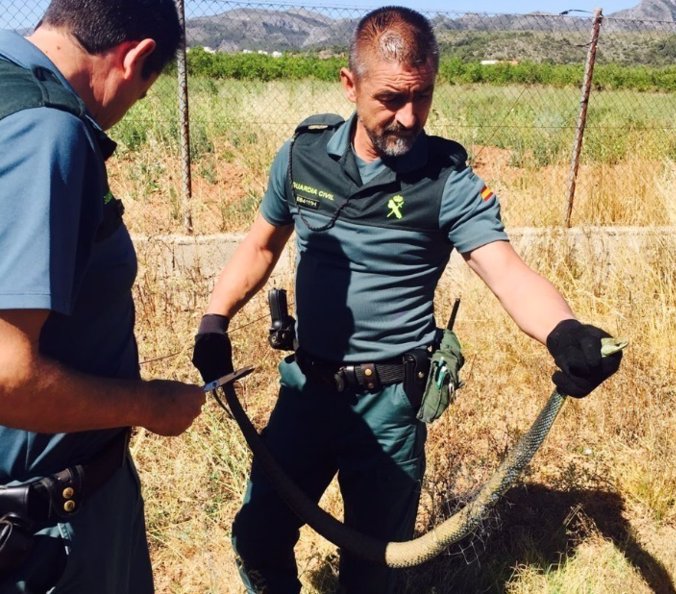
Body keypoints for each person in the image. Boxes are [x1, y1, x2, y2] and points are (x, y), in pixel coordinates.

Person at [192, 6, 622, 593]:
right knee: (258, 536)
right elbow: (261, 246)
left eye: (422, 97)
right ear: (350, 84)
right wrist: (214, 323)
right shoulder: (301, 158)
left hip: (390, 403)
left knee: (374, 570)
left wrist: (564, 330)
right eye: (391, 99)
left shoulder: (447, 182)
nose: (409, 116)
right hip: (306, 392)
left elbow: (505, 270)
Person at [0, 1, 206, 592]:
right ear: (136, 57)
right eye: (139, 94)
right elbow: (9, 375)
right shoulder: (46, 130)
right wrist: (148, 405)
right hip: (45, 535)